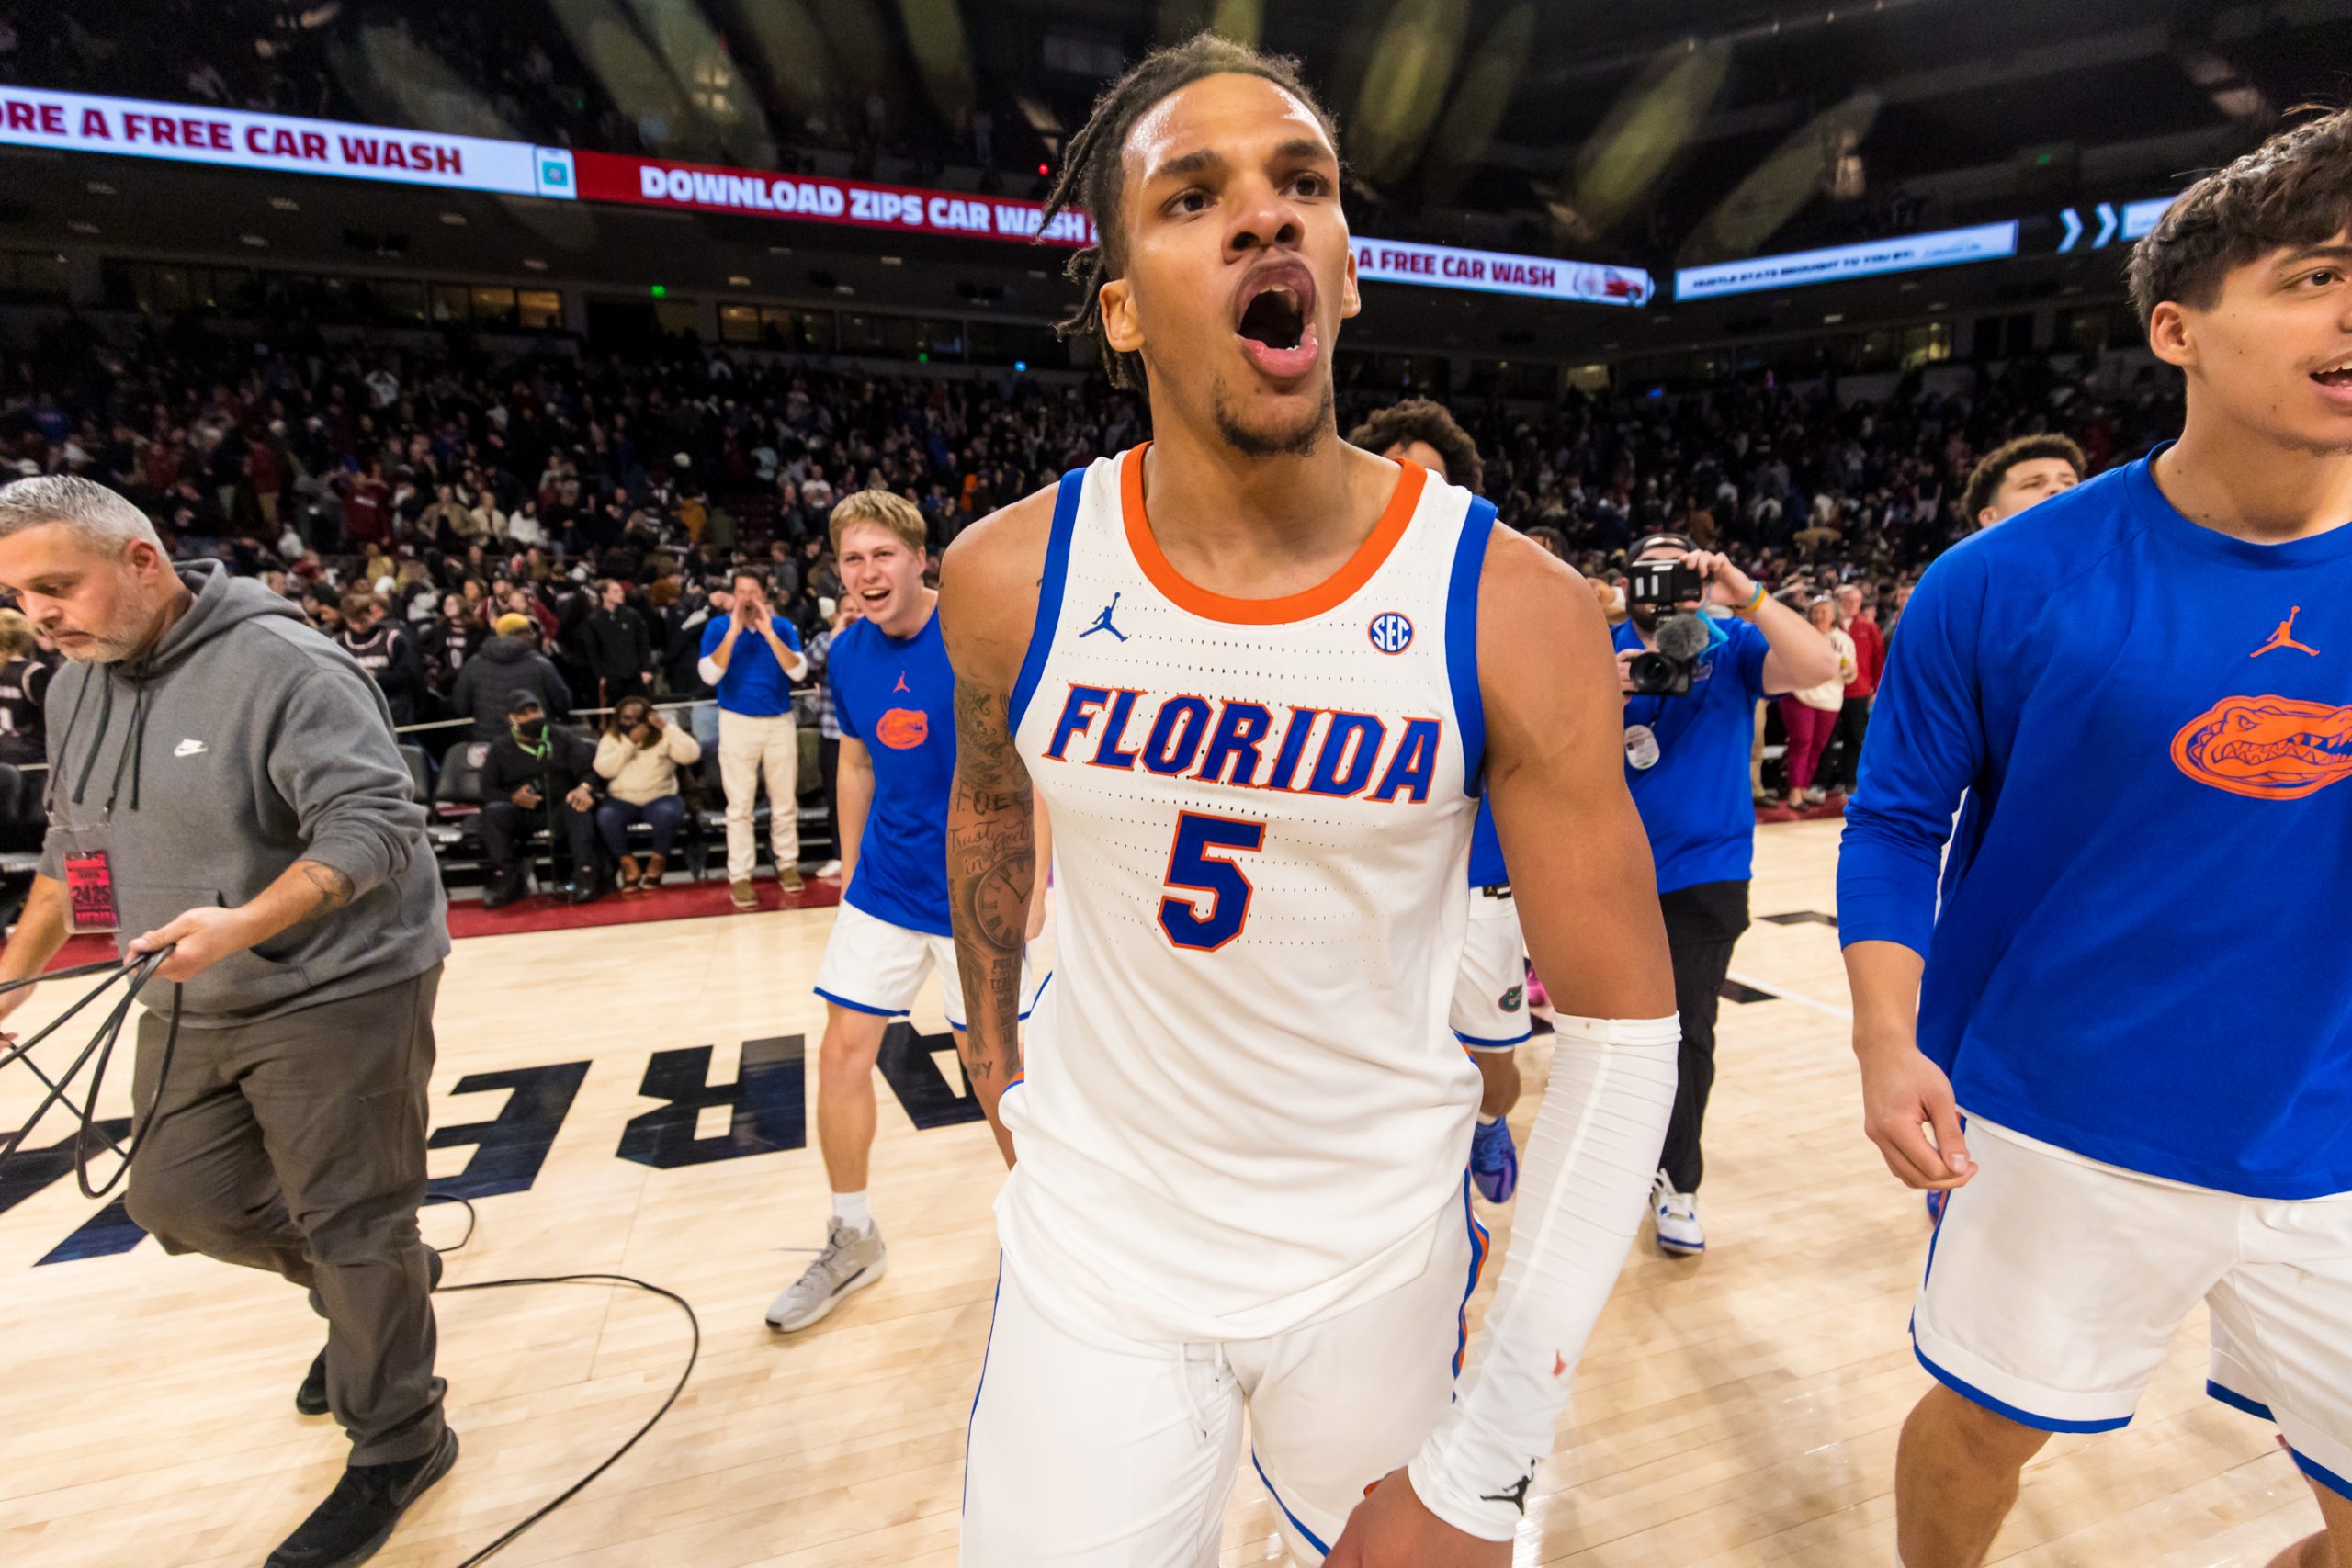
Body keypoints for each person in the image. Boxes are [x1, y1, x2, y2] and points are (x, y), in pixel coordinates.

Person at [938, 38, 1679, 1565]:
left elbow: (1623, 1042)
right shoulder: (1009, 577)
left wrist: (1487, 1470)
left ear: (1345, 272)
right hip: (1100, 1257)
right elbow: (992, 803)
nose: (1266, 219)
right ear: (1125, 307)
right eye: (1194, 195)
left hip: (1376, 1261)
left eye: (1303, 186)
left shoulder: (1513, 609)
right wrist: (997, 1042)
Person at [1840, 111, 2352, 1568]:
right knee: (1986, 1429)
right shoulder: (2002, 580)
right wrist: (1887, 1039)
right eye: (2317, 272)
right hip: (2058, 1122)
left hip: (2331, 1134)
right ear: (2179, 328)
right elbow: (1891, 820)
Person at [0, 475, 455, 1568]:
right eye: (21, 598)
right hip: (182, 985)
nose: (40, 616)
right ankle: (372, 1306)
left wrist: (245, 921)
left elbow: (377, 822)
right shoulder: (74, 684)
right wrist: (15, 970)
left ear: (144, 562)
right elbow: (80, 850)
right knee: (176, 1198)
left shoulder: (283, 663)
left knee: (352, 1220)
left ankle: (399, 1438)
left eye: (57, 587)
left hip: (339, 983)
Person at [768, 493, 1041, 1331]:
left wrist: (1037, 882)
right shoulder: (847, 653)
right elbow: (855, 761)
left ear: (923, 558)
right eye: (852, 560)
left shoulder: (976, 634)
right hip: (886, 886)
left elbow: (1040, 758)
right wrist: (854, 869)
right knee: (842, 1052)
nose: (867, 573)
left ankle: (1044, 1239)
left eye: (882, 555)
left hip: (978, 889)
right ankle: (853, 1234)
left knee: (998, 1079)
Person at [1615, 530, 1841, 1255]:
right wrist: (1602, 679)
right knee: (1608, 1037)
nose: (1667, 582)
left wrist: (1742, 590)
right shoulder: (1600, 640)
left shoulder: (1731, 638)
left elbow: (1817, 665)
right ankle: (1618, 1165)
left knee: (1687, 1033)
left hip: (1703, 871)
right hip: (1603, 873)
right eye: (1652, 568)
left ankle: (1677, 1181)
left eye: (1682, 567)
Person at [1348, 398, 1524, 1203]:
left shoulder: (1495, 601)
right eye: (1394, 478)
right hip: (1360, 880)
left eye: (1434, 484)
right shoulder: (1313, 600)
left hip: (1479, 881)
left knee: (1494, 1073)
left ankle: (1487, 1122)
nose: (1412, 496)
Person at [700, 568, 809, 908]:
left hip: (778, 721)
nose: (747, 598)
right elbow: (709, 674)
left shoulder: (782, 627)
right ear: (733, 596)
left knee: (784, 802)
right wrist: (733, 633)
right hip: (736, 722)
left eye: (752, 591)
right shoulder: (718, 628)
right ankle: (741, 876)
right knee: (740, 806)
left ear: (763, 595)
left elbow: (798, 671)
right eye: (741, 592)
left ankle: (788, 864)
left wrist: (769, 633)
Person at [478, 692, 604, 908]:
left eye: (535, 710)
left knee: (578, 805)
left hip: (560, 807)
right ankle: (507, 880)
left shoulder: (563, 737)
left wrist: (583, 789)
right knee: (494, 812)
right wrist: (512, 798)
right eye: (524, 713)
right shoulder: (500, 747)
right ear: (512, 719)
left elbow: (588, 772)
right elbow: (488, 790)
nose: (532, 717)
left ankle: (586, 876)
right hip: (523, 811)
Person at [592, 694, 699, 891]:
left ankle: (657, 861)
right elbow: (604, 770)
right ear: (618, 719)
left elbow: (691, 755)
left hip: (660, 796)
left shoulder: (663, 735)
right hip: (622, 798)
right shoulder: (611, 738)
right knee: (606, 817)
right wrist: (629, 744)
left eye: (637, 718)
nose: (632, 723)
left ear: (648, 717)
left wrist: (665, 727)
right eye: (626, 718)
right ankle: (627, 864)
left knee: (666, 815)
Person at [804, 593, 865, 879]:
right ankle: (840, 855)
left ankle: (869, 858)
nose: (853, 614)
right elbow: (807, 667)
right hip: (832, 734)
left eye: (857, 609)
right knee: (835, 799)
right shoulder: (825, 640)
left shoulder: (876, 638)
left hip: (871, 738)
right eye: (847, 610)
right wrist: (838, 631)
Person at [1778, 598, 1854, 812]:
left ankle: (1804, 787)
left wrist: (1849, 670)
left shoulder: (1844, 640)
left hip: (1830, 698)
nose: (1819, 616)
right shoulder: (1801, 635)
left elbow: (1850, 675)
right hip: (1800, 695)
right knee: (1801, 742)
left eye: (1823, 611)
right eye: (1815, 611)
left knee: (1818, 746)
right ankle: (1794, 790)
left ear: (1833, 615)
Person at [448, 612, 571, 742]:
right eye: (529, 632)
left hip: (490, 743)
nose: (533, 636)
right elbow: (562, 706)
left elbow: (460, 706)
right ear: (524, 635)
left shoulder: (474, 663)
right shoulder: (541, 664)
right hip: (536, 742)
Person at [335, 591, 427, 729]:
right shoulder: (340, 643)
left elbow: (409, 676)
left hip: (393, 712)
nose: (359, 626)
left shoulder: (393, 639)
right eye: (354, 622)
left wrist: (376, 676)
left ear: (372, 613)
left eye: (363, 620)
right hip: (357, 712)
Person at [1960, 433, 2086, 529]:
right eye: (2033, 484)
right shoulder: (1955, 563)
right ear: (1990, 517)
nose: (2058, 489)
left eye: (2069, 483)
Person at [581, 576, 653, 707]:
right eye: (615, 591)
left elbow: (643, 643)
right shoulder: (594, 620)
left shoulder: (632, 615)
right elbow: (592, 650)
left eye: (620, 591)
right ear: (604, 595)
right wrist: (600, 675)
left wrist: (646, 669)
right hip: (612, 678)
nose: (621, 594)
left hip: (634, 675)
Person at [0, 604, 57, 767]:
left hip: (4, 761)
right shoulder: (32, 672)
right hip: (32, 760)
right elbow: (53, 718)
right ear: (24, 637)